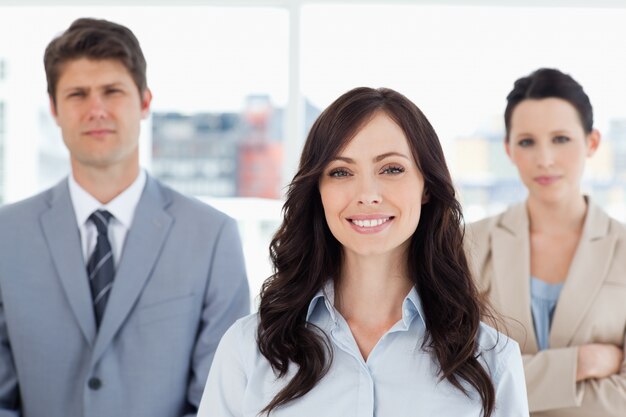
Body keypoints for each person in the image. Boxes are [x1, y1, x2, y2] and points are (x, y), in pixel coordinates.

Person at [197, 87, 529, 417]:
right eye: (341, 172)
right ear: (319, 191)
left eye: (391, 169)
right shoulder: (248, 349)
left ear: (426, 186)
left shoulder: (491, 360)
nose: (367, 194)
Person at [0, 18, 250, 417]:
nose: (96, 110)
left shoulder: (211, 236)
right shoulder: (6, 236)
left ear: (145, 101)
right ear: (54, 109)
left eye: (112, 91)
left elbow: (217, 403)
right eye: (77, 94)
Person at [464, 68, 626, 416]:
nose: (545, 159)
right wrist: (578, 364)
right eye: (527, 142)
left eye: (561, 139)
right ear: (509, 150)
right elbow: (459, 377)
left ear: (592, 142)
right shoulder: (469, 245)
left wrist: (512, 388)